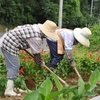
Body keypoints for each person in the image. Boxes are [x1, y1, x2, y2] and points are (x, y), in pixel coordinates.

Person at [0, 20, 59, 97]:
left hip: (7, 40)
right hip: (9, 44)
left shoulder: (35, 27)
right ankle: (8, 90)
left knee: (14, 66)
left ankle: (12, 88)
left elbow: (19, 30)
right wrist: (41, 63)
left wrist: (20, 41)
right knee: (14, 66)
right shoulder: (36, 37)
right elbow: (37, 55)